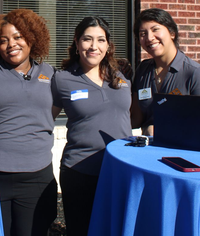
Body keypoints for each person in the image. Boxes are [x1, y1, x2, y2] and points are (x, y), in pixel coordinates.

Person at [0, 9, 58, 236]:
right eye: (3, 40)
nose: (11, 45)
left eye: (18, 37)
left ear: (32, 38)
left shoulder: (50, 73)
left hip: (37, 177)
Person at [51, 16, 132, 235]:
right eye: (87, 40)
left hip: (120, 170)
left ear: (108, 45)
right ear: (77, 43)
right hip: (80, 171)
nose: (94, 46)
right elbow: (44, 119)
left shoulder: (121, 77)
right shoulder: (62, 79)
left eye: (100, 40)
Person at [132, 8, 200, 136]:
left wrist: (161, 131)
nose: (149, 38)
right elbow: (136, 119)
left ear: (172, 33)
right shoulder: (143, 70)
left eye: (155, 29)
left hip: (183, 151)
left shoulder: (195, 74)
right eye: (143, 34)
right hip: (147, 149)